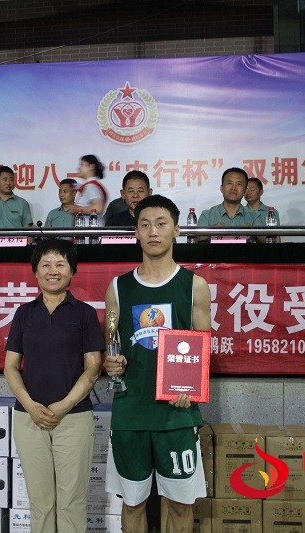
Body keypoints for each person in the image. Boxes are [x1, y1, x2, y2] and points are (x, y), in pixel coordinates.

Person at [103, 194, 212, 532]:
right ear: (135, 232)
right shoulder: (118, 287)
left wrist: (192, 388)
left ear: (176, 230)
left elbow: (203, 349)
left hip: (176, 414)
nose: (153, 231)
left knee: (180, 506)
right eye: (145, 225)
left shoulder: (194, 286)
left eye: (161, 224)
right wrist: (111, 364)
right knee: (133, 504)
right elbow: (112, 345)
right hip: (131, 411)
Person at [4, 238, 104, 533]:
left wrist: (64, 405)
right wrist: (30, 405)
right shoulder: (24, 313)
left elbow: (93, 368)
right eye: (45, 264)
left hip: (73, 418)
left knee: (72, 503)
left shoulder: (85, 313)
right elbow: (10, 367)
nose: (53, 271)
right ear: (35, 271)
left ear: (72, 271)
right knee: (41, 503)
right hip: (29, 418)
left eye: (61, 264)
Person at [196, 167, 252, 242]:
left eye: (239, 184)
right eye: (229, 183)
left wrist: (253, 231)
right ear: (221, 188)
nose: (233, 188)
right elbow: (198, 237)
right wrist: (213, 231)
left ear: (245, 191)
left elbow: (265, 238)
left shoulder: (254, 215)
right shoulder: (207, 215)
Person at [244, 177, 280, 243]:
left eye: (252, 189)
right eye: (246, 189)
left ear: (261, 192)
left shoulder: (271, 212)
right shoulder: (240, 212)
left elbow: (277, 237)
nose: (248, 192)